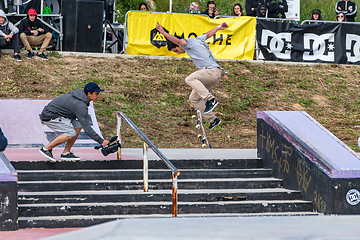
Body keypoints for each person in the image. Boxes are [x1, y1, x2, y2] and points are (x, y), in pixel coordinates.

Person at [155, 22, 228, 130]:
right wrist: (218, 27)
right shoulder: (197, 39)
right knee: (194, 98)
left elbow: (178, 41)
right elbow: (208, 35)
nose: (178, 53)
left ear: (178, 45)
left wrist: (164, 33)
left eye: (176, 50)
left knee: (189, 79)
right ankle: (213, 119)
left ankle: (210, 99)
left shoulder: (187, 43)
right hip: (212, 75)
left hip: (212, 72)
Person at [39, 82, 111, 162]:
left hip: (59, 115)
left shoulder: (79, 98)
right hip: (50, 116)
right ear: (89, 94)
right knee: (70, 133)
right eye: (96, 94)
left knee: (78, 125)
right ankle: (47, 149)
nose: (98, 96)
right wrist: (101, 141)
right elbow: (87, 127)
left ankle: (66, 153)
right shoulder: (80, 105)